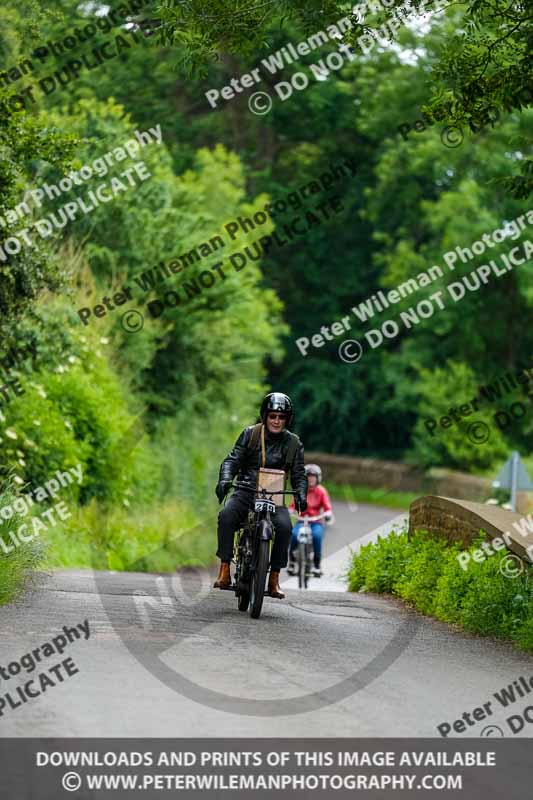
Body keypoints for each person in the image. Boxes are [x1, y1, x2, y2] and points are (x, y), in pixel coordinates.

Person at [213, 392, 308, 599]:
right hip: (246, 489)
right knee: (227, 515)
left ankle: (274, 577)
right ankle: (225, 569)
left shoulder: (293, 443)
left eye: (281, 417)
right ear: (265, 416)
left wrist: (301, 493)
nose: (276, 421)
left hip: (274, 495)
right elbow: (232, 460)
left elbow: (299, 474)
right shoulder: (250, 434)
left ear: (287, 419)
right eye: (272, 415)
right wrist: (225, 479)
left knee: (284, 527)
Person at [288, 464, 334, 577]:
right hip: (301, 520)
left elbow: (327, 507)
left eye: (313, 476)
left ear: (318, 478)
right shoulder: (300, 491)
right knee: (294, 535)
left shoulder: (321, 491)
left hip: (315, 522)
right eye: (308, 476)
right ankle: (292, 562)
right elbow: (293, 505)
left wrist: (328, 513)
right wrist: (289, 510)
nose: (311, 478)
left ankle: (317, 565)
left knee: (317, 536)